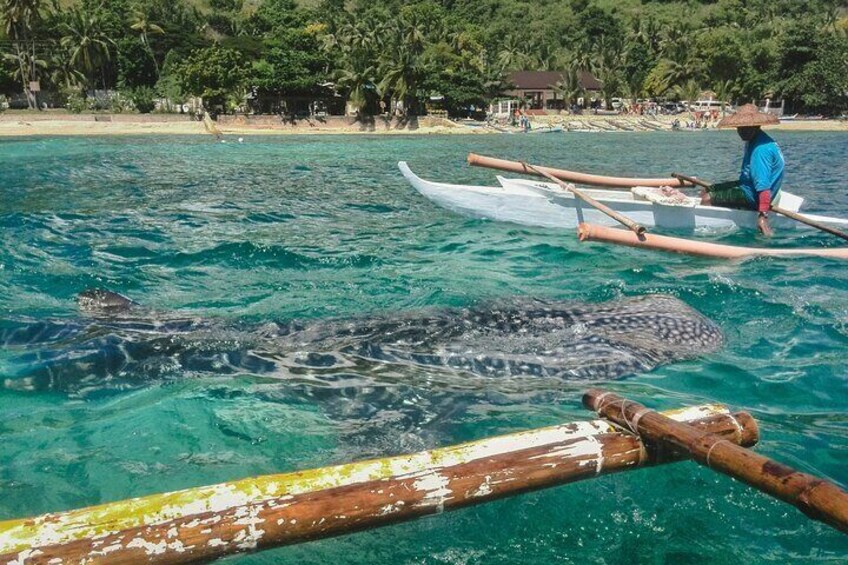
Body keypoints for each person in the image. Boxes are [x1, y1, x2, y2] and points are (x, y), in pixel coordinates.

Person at [700, 104, 784, 236]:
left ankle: (710, 232)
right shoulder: (757, 140)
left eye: (745, 129)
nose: (740, 132)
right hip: (747, 186)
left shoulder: (760, 150)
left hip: (753, 195)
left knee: (706, 199)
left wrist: (762, 217)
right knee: (706, 189)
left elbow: (763, 187)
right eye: (739, 128)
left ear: (756, 126)